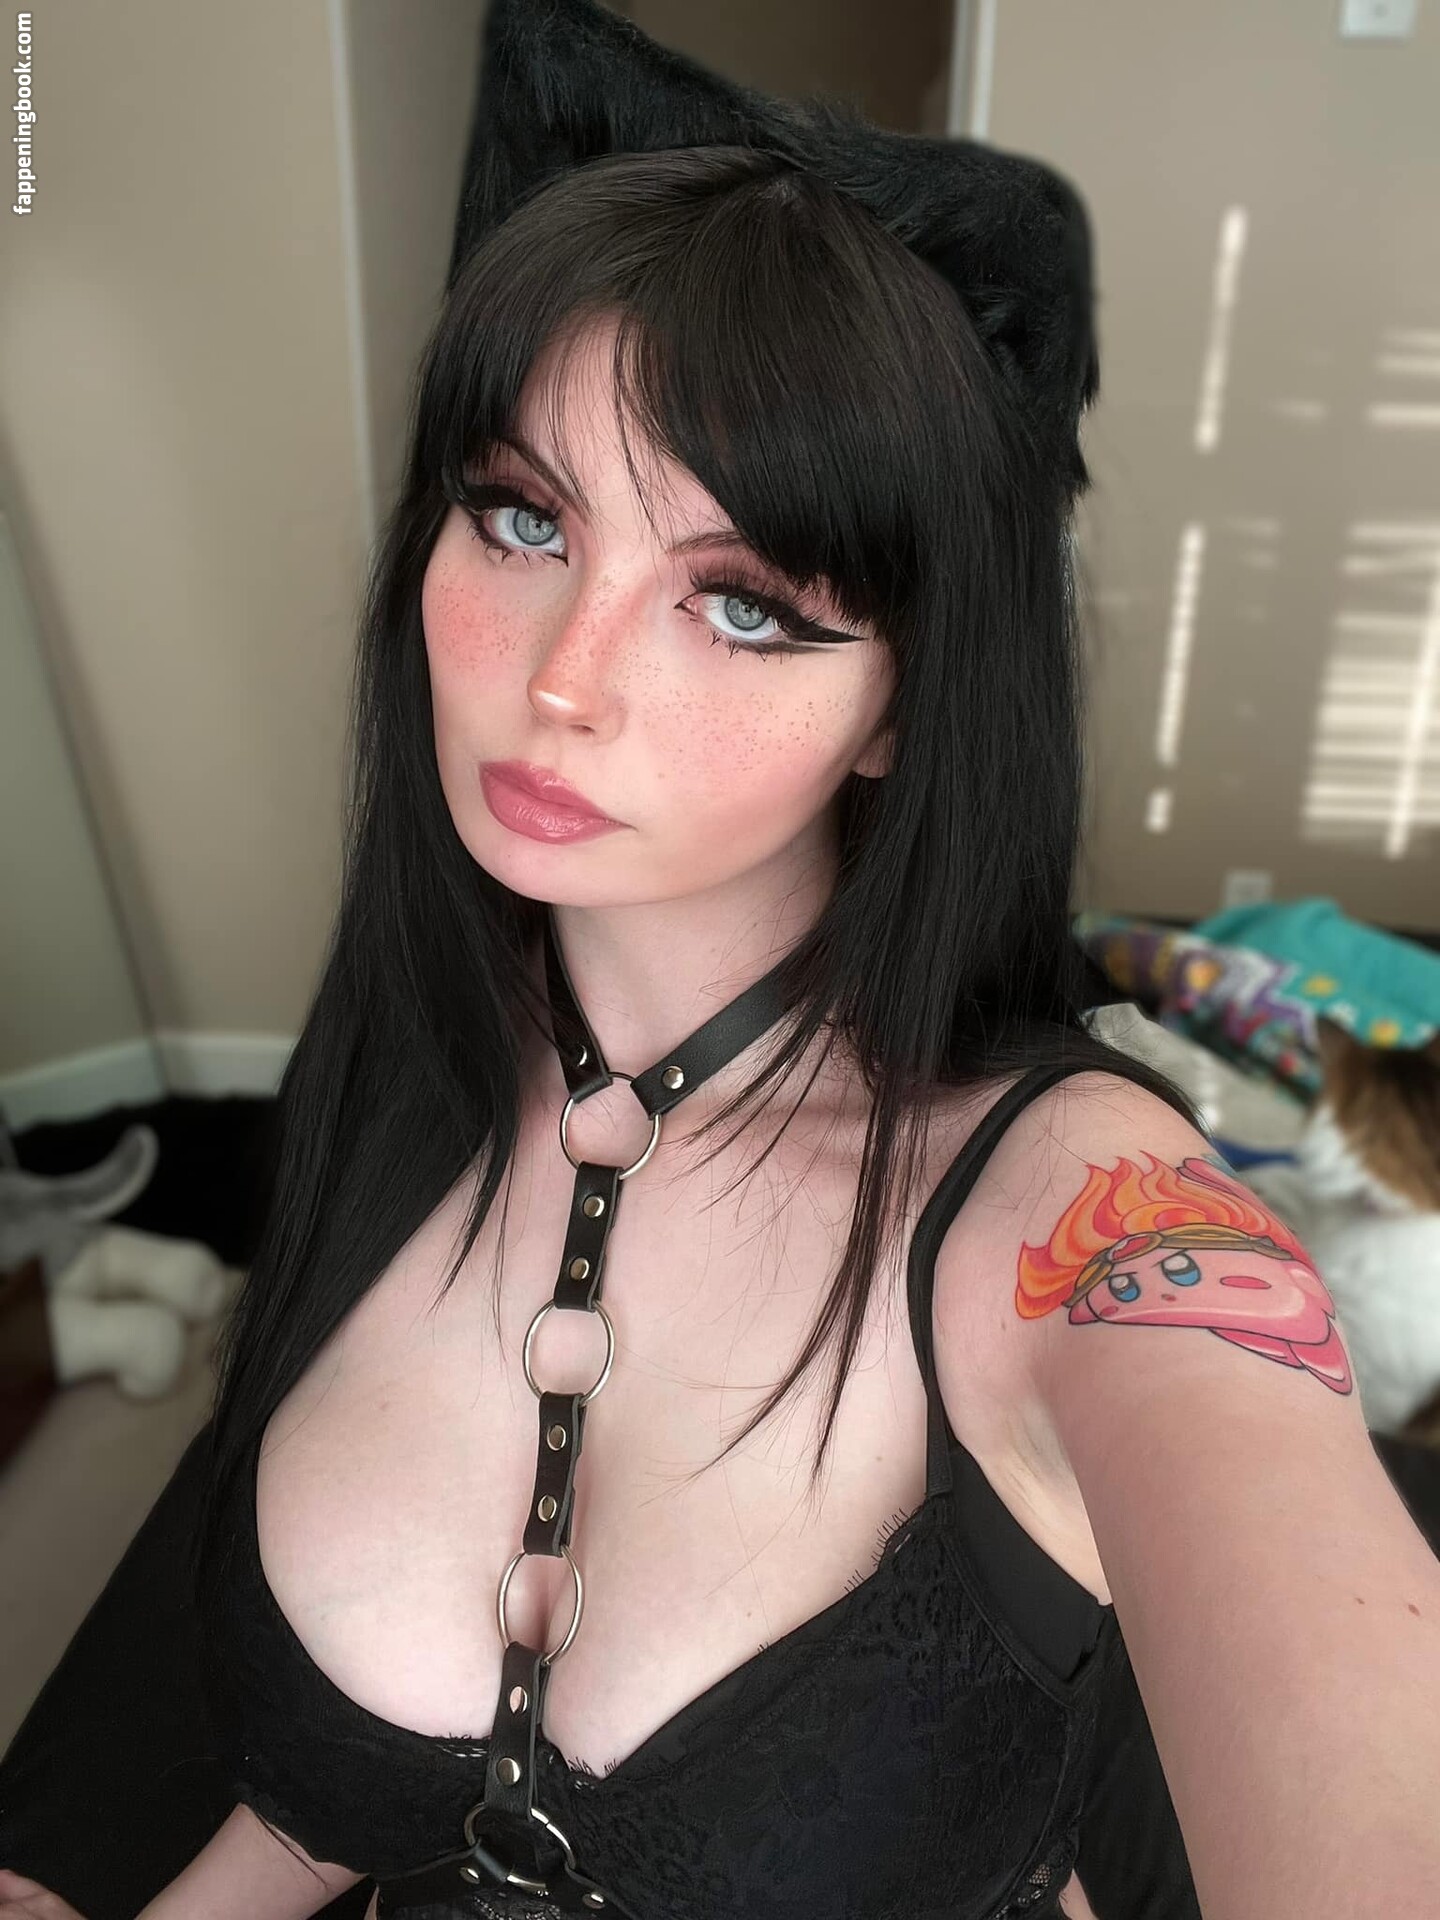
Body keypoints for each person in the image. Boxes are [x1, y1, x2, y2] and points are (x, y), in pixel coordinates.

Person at [4, 3, 1439, 1916]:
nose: (565, 679)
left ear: (903, 707)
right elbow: (328, 1802)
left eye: (744, 606)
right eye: (524, 517)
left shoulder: (1077, 1222)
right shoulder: (415, 1045)